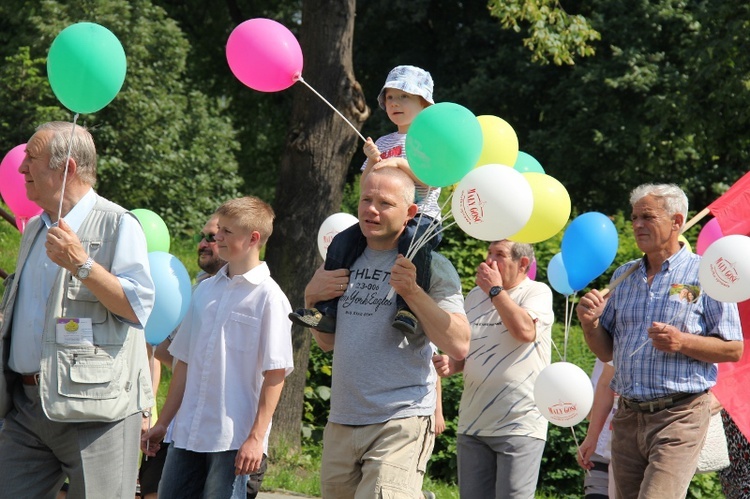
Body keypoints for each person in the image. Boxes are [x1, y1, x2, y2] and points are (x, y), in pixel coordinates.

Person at [0, 121, 155, 498]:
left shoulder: (119, 223)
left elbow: (137, 310)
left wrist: (82, 264)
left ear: (66, 168)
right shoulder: (36, 228)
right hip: (26, 408)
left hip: (96, 413)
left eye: (31, 159)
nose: (21, 169)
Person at [301, 167, 470, 498]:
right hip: (342, 420)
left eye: (384, 203)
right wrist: (311, 297)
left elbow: (459, 344)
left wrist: (413, 292)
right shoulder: (339, 260)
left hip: (400, 421)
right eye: (366, 199)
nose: (371, 210)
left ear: (409, 213)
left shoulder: (433, 266)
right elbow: (327, 342)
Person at [576, 183, 744, 498]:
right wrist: (590, 324)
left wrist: (682, 342)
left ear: (677, 222)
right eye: (634, 217)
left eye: (647, 217)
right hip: (626, 417)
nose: (637, 224)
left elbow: (733, 349)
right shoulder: (623, 278)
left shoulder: (706, 275)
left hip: (678, 416)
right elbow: (607, 351)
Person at [141, 196, 294, 498]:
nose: (217, 238)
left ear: (253, 239)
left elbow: (275, 373)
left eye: (226, 232)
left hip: (232, 440)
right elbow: (183, 362)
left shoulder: (270, 298)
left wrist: (256, 437)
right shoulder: (204, 292)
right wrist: (164, 423)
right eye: (218, 230)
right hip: (187, 433)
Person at [289, 65, 441, 335]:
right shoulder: (383, 141)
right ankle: (327, 310)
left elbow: (429, 179)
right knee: (343, 241)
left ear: (424, 103)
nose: (394, 103)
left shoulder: (430, 141)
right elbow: (366, 185)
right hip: (380, 216)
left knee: (410, 241)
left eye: (403, 96)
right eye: (390, 97)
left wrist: (395, 162)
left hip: (421, 217)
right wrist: (372, 160)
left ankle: (407, 308)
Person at [433, 239, 554, 499]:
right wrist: (450, 364)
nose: (489, 261)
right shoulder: (475, 296)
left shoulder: (536, 292)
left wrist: (496, 291)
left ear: (522, 263)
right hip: (473, 424)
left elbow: (525, 331)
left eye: (499, 254)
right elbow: (467, 353)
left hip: (519, 423)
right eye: (489, 253)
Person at [136, 214, 227, 499]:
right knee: (152, 490)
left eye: (211, 237)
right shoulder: (194, 291)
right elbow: (175, 357)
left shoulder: (258, 295)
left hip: (223, 435)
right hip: (179, 425)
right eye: (202, 236)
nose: (202, 244)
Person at [577, 359, 617, 499]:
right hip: (601, 445)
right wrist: (592, 437)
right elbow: (603, 386)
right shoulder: (610, 345)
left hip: (632, 443)